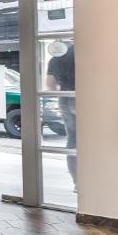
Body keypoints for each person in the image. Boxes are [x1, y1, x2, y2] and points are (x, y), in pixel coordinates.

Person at [45, 43, 75, 185]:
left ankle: (77, 182)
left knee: (73, 141)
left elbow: (50, 85)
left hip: (64, 99)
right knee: (92, 139)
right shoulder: (85, 53)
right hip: (83, 97)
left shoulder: (56, 57)